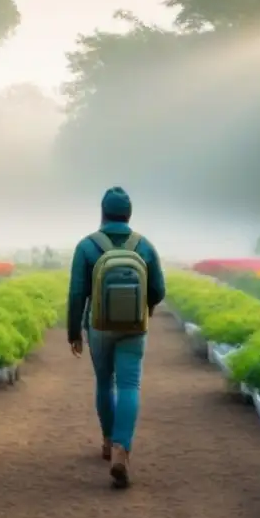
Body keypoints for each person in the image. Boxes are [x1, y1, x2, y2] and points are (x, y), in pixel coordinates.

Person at [67, 186, 166, 488]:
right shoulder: (144, 246)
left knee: (104, 383)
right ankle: (123, 448)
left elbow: (76, 294)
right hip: (135, 327)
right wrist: (145, 306)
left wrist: (74, 332)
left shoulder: (87, 246)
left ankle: (108, 442)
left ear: (102, 213)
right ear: (129, 214)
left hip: (98, 327)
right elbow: (159, 290)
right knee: (129, 385)